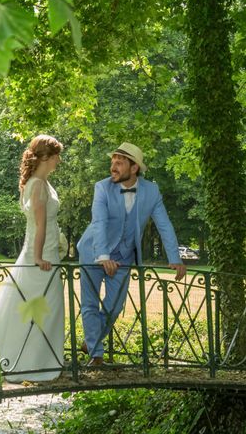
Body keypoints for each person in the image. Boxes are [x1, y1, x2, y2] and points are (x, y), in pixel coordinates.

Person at [77, 142, 186, 366]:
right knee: (89, 304)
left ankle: (92, 339)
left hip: (125, 256)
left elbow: (164, 224)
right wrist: (103, 256)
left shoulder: (151, 191)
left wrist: (175, 259)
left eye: (119, 163)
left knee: (115, 305)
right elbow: (99, 222)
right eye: (112, 162)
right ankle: (96, 355)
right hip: (93, 252)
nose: (113, 167)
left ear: (134, 168)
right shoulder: (102, 187)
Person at [0, 135, 65, 382]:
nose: (59, 160)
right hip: (40, 257)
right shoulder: (38, 185)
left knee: (37, 310)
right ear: (47, 158)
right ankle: (30, 362)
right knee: (39, 309)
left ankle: (37, 359)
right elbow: (40, 226)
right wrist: (38, 258)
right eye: (57, 155)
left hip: (47, 252)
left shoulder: (41, 183)